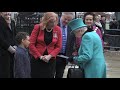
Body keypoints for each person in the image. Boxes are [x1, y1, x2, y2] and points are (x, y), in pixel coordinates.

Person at [29, 12, 62, 78]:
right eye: (51, 22)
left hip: (50, 60)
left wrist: (50, 56)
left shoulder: (58, 29)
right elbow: (31, 44)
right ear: (46, 21)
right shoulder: (37, 27)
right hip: (37, 60)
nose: (53, 24)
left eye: (55, 22)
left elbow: (58, 46)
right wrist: (40, 56)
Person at [55, 12, 76, 78]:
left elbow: (72, 42)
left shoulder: (71, 28)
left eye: (69, 20)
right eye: (65, 19)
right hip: (52, 55)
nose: (66, 21)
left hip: (63, 56)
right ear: (61, 16)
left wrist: (71, 54)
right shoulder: (54, 24)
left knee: (60, 74)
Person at [0, 12, 16, 78]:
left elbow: (14, 34)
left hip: (12, 51)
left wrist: (15, 45)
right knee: (4, 72)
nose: (7, 13)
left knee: (12, 71)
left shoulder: (12, 22)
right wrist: (9, 47)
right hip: (3, 52)